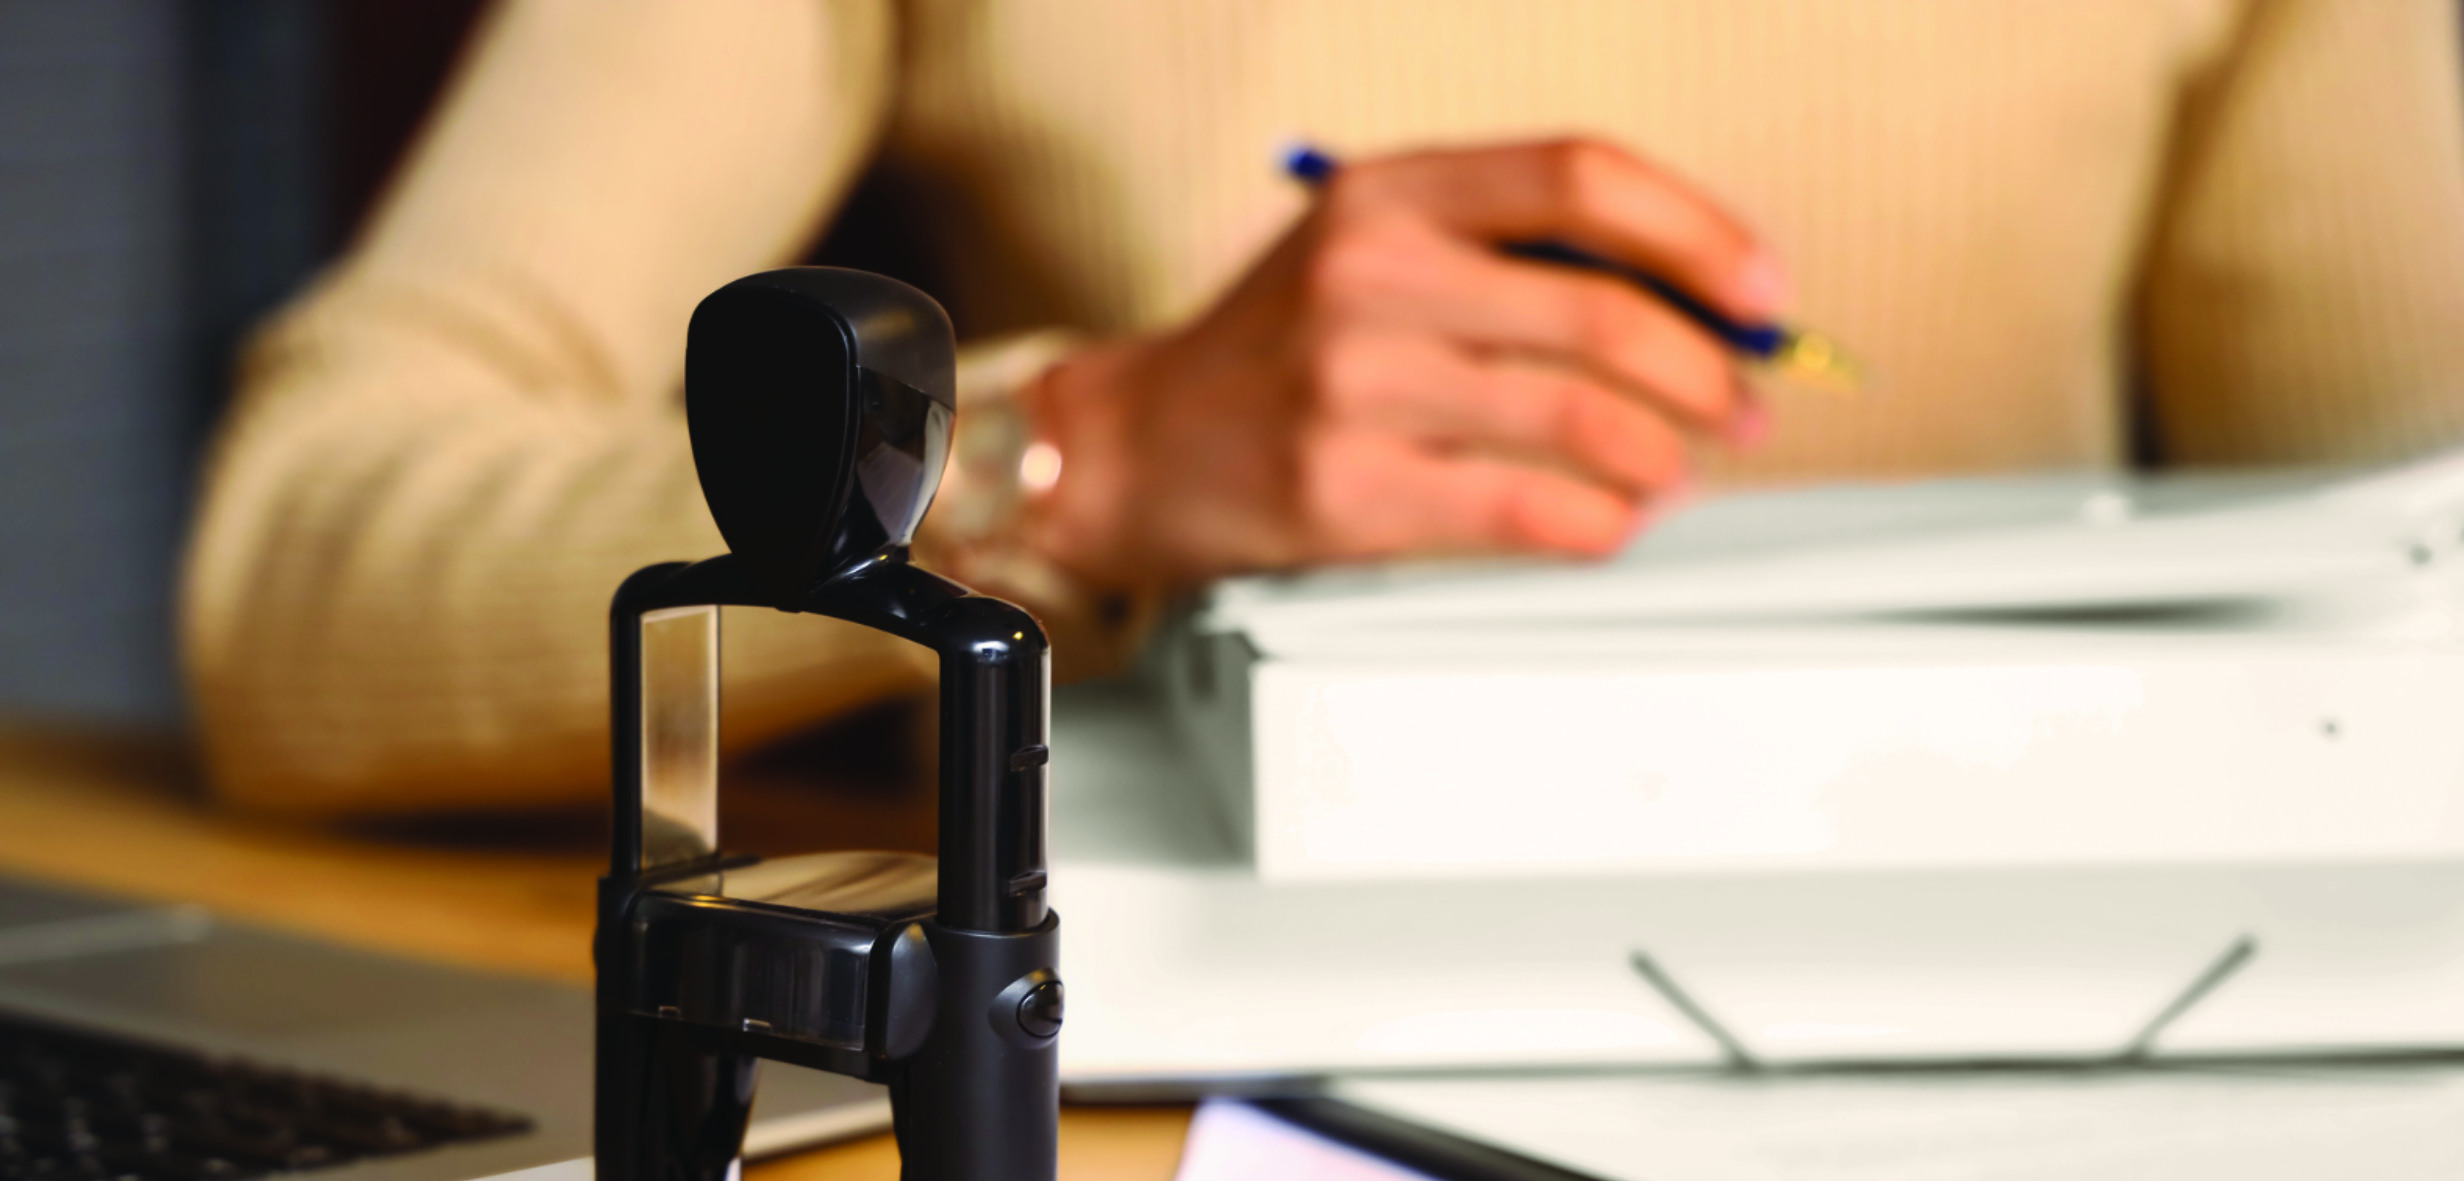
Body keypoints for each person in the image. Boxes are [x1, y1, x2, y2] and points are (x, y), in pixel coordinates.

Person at [184, 0, 2464, 815]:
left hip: (2039, 1053)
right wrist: (1088, 456)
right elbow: (293, 583)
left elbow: (2412, 573)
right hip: (1163, 1094)